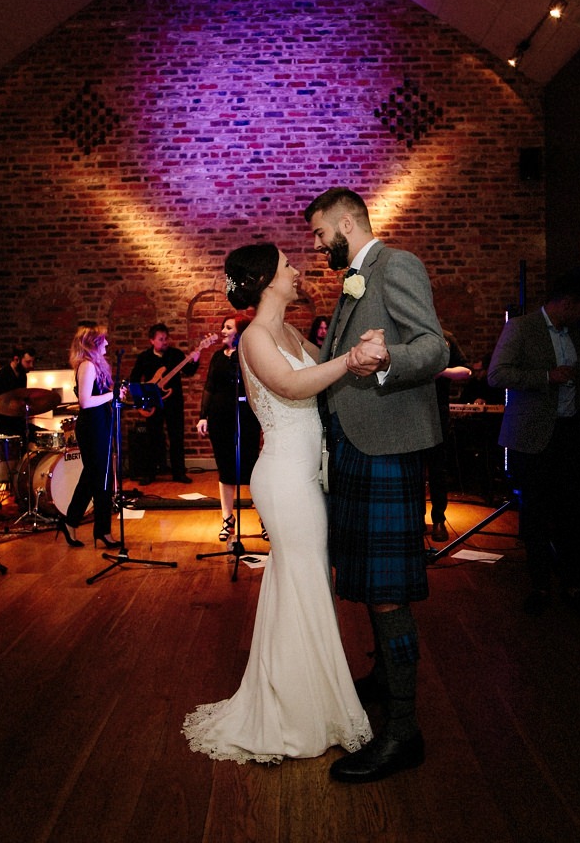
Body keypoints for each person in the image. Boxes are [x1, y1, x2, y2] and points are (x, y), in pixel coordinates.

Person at [182, 243, 373, 764]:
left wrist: (359, 347)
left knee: (303, 582)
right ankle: (296, 711)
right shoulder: (255, 337)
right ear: (267, 279)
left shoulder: (288, 331)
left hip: (305, 472)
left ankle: (304, 697)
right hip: (285, 476)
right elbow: (291, 384)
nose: (298, 270)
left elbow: (323, 372)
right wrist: (349, 360)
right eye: (288, 265)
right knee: (305, 579)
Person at [308, 187, 448, 783]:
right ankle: (386, 680)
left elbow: (434, 347)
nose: (317, 246)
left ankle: (403, 730)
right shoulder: (352, 281)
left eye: (320, 234)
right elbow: (335, 356)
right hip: (354, 445)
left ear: (347, 222)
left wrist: (388, 360)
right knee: (366, 581)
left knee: (387, 588)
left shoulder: (398, 265)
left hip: (387, 446)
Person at [487, 271, 580, 615]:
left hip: (569, 433)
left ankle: (572, 582)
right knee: (535, 515)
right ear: (566, 302)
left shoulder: (577, 333)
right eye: (579, 307)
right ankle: (540, 586)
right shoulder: (521, 327)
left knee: (571, 513)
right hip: (530, 437)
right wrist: (547, 377)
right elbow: (497, 374)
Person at [196, 315, 262, 542]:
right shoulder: (217, 356)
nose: (223, 331)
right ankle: (227, 518)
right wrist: (203, 416)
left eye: (228, 327)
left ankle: (263, 518)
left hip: (245, 418)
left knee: (251, 468)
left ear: (240, 332)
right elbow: (209, 387)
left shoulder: (248, 356)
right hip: (219, 418)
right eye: (223, 327)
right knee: (225, 470)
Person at [56, 324, 122, 548]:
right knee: (101, 478)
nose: (107, 343)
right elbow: (85, 402)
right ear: (94, 343)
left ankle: (70, 521)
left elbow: (100, 396)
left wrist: (114, 394)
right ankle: (102, 531)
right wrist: (111, 395)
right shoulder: (87, 366)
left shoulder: (94, 365)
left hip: (99, 423)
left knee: (92, 477)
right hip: (92, 426)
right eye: (103, 340)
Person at [130, 323, 205, 483]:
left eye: (166, 338)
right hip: (153, 403)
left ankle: (179, 473)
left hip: (174, 402)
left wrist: (195, 360)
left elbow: (189, 372)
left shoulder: (176, 355)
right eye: (161, 339)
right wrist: (145, 394)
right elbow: (134, 379)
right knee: (153, 438)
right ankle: (150, 474)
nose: (165, 342)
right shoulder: (144, 357)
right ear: (152, 341)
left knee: (177, 437)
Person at [426, 329, 471, 542]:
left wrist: (442, 372)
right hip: (410, 413)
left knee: (437, 470)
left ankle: (438, 519)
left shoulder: (446, 337)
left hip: (438, 413)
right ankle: (414, 520)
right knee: (413, 470)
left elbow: (466, 371)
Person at [0, 346, 35, 438]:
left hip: (15, 423)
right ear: (16, 359)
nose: (31, 366)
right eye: (28, 362)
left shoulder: (22, 376)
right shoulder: (0, 378)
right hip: (1, 425)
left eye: (33, 362)